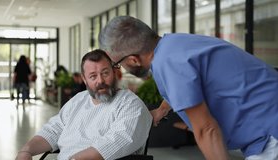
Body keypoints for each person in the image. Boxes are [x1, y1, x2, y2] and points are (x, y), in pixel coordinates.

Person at [98, 15, 278, 160]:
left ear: (133, 59)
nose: (120, 68)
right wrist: (160, 111)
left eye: (117, 64)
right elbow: (188, 84)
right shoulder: (173, 45)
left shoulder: (169, 64)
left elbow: (207, 129)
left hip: (270, 129)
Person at [15, 49, 152, 160]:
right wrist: (26, 151)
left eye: (105, 73)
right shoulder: (78, 100)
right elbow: (53, 130)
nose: (100, 81)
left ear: (114, 73)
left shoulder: (130, 105)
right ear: (84, 80)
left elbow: (116, 142)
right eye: (93, 76)